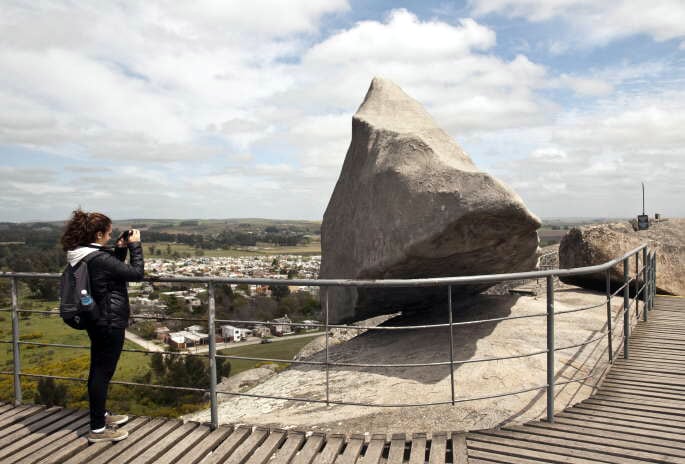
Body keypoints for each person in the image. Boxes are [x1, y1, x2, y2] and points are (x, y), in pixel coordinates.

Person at [60, 209, 144, 443]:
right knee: (101, 373)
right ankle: (97, 429)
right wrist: (135, 246)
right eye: (106, 234)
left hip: (96, 318)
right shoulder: (98, 258)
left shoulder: (83, 255)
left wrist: (119, 250)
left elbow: (106, 277)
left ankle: (101, 415)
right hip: (108, 320)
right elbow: (137, 274)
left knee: (99, 369)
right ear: (97, 235)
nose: (108, 237)